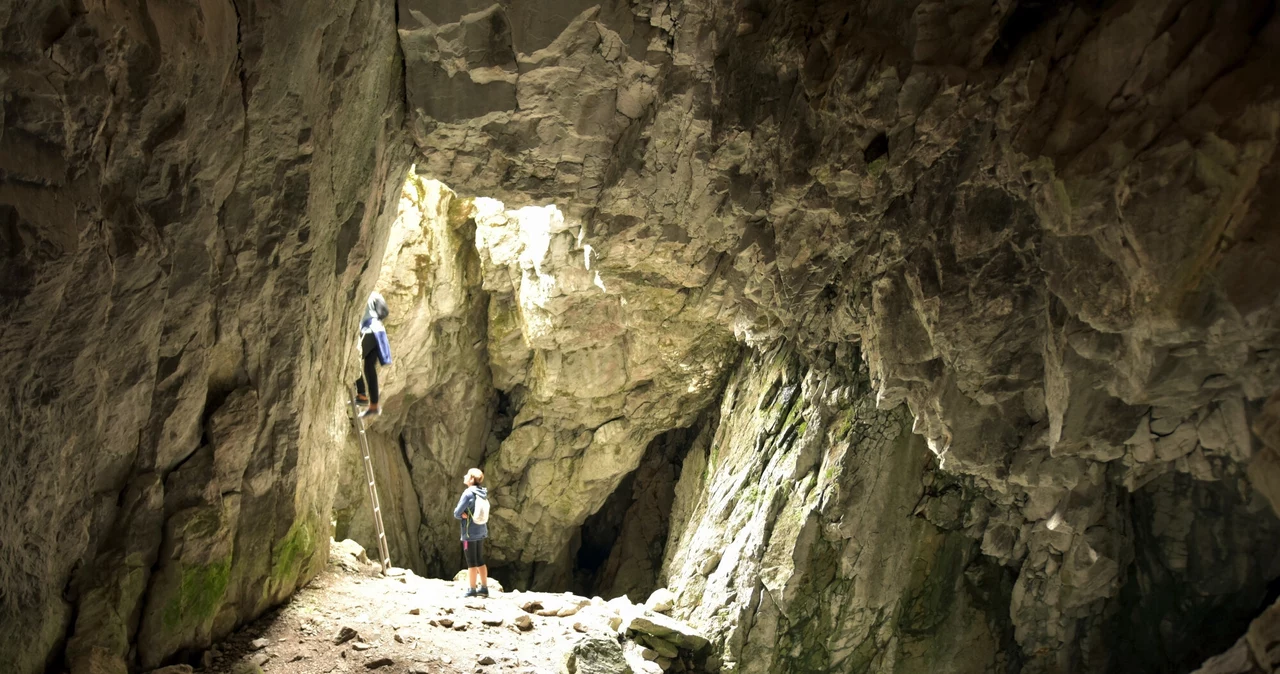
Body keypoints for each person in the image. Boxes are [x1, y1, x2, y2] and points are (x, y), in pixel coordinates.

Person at [452, 468, 491, 597]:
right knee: (480, 559)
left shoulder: (468, 493)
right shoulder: (482, 493)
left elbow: (457, 512)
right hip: (481, 531)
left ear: (471, 479)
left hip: (468, 534)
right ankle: (484, 587)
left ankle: (472, 589)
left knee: (471, 562)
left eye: (467, 475)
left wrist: (462, 515)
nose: (464, 476)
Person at [354, 291, 392, 418]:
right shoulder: (376, 295)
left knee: (354, 362)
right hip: (379, 333)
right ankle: (374, 405)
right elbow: (385, 312)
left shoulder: (362, 293)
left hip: (368, 331)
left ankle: (362, 394)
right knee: (369, 367)